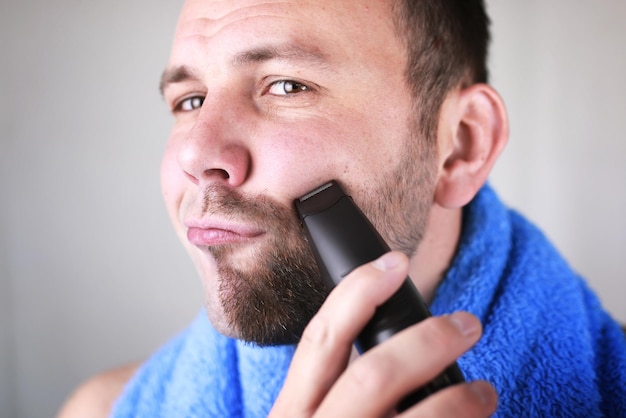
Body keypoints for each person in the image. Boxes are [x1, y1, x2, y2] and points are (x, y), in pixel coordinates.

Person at [58, 0, 626, 416]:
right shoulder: (102, 409)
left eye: (286, 86)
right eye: (190, 100)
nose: (197, 154)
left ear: (461, 146)